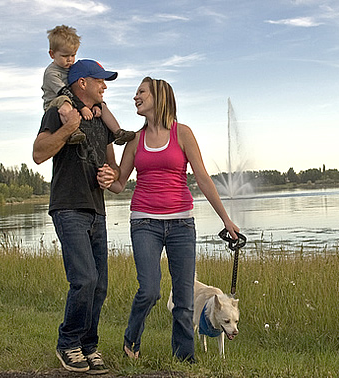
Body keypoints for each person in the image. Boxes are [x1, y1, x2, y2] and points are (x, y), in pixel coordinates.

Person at [107, 77, 240, 362]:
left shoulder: (183, 133)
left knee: (183, 297)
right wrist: (107, 178)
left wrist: (226, 220)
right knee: (150, 289)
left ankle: (184, 357)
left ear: (159, 96)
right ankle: (132, 338)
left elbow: (203, 178)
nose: (135, 97)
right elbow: (119, 184)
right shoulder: (135, 141)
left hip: (181, 223)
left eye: (141, 92)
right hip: (144, 222)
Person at [33, 59, 121, 374]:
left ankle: (88, 346)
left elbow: (115, 173)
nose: (105, 86)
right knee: (84, 279)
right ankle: (68, 343)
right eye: (100, 80)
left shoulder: (100, 120)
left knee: (99, 286)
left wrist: (111, 177)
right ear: (81, 82)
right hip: (68, 205)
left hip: (96, 208)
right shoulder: (59, 112)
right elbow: (39, 153)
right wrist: (69, 128)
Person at [42, 25, 134, 145]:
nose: (70, 60)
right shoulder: (52, 73)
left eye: (73, 55)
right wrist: (83, 107)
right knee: (65, 102)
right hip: (55, 101)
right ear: (52, 54)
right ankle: (73, 131)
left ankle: (118, 132)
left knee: (101, 105)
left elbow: (78, 92)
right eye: (65, 56)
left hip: (71, 100)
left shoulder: (70, 68)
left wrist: (94, 105)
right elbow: (65, 92)